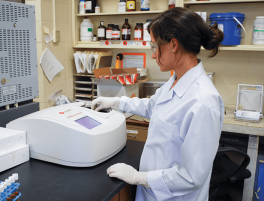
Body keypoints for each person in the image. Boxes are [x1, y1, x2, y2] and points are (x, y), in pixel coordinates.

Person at [91, 7, 224, 201]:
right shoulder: (176, 80)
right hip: (151, 192)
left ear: (173, 45)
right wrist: (118, 101)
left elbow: (192, 176)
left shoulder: (203, 102)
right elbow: (154, 107)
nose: (153, 55)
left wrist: (139, 177)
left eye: (154, 47)